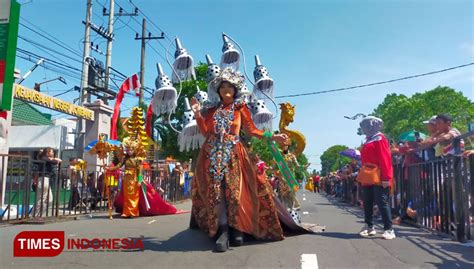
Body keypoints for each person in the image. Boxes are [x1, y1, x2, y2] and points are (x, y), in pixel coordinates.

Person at [190, 67, 295, 252]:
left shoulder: (240, 109)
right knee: (217, 192)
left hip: (234, 154)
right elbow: (206, 132)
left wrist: (274, 137)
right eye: (222, 87)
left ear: (235, 89)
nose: (225, 89)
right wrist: (198, 114)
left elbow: (252, 131)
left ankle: (237, 227)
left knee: (234, 190)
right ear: (218, 91)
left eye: (229, 86)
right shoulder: (212, 110)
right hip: (211, 154)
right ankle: (222, 229)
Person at [358, 116, 396, 240]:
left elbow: (385, 158)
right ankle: (369, 226)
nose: (362, 128)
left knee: (381, 201)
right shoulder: (369, 140)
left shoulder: (380, 138)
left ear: (372, 125)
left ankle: (389, 229)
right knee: (367, 201)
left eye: (364, 125)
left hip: (379, 174)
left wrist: (386, 177)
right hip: (368, 174)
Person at [34, 148, 62, 217]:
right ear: (48, 153)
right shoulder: (44, 158)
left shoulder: (45, 159)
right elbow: (55, 160)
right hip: (43, 179)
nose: (53, 153)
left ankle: (38, 214)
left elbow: (57, 161)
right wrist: (56, 159)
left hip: (47, 179)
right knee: (40, 199)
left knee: (49, 199)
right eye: (52, 152)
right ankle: (34, 215)